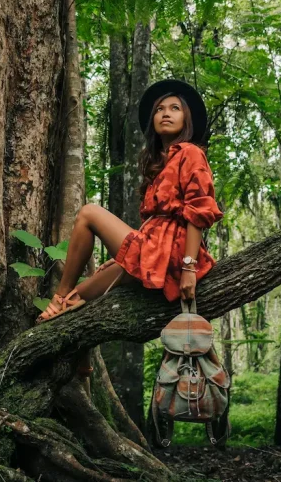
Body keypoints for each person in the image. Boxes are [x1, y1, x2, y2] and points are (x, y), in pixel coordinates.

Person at [36, 79, 224, 376]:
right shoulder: (159, 162)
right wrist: (125, 255)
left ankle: (57, 298)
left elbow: (198, 210)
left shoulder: (190, 153)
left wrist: (189, 267)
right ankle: (80, 356)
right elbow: (151, 224)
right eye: (159, 109)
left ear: (186, 118)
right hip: (151, 253)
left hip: (173, 256)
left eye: (175, 108)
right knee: (82, 296)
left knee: (88, 214)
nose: (165, 113)